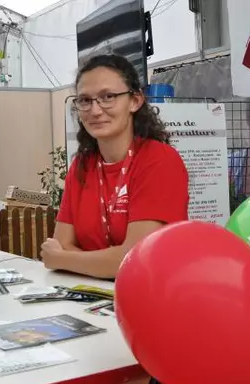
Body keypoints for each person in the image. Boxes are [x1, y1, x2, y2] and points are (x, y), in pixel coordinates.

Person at [40, 54, 189, 279]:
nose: (95, 110)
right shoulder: (82, 165)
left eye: (108, 96)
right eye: (84, 100)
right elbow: (62, 241)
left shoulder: (159, 160)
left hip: (152, 296)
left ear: (134, 101)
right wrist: (110, 261)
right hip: (93, 298)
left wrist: (62, 258)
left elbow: (136, 258)